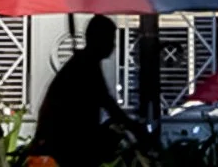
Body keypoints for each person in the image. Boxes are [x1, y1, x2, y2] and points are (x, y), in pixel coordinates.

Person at [28, 15, 148, 167]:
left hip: (68, 143)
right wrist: (134, 127)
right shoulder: (85, 67)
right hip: (67, 145)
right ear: (97, 39)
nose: (113, 45)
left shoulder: (85, 64)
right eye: (110, 39)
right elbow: (108, 104)